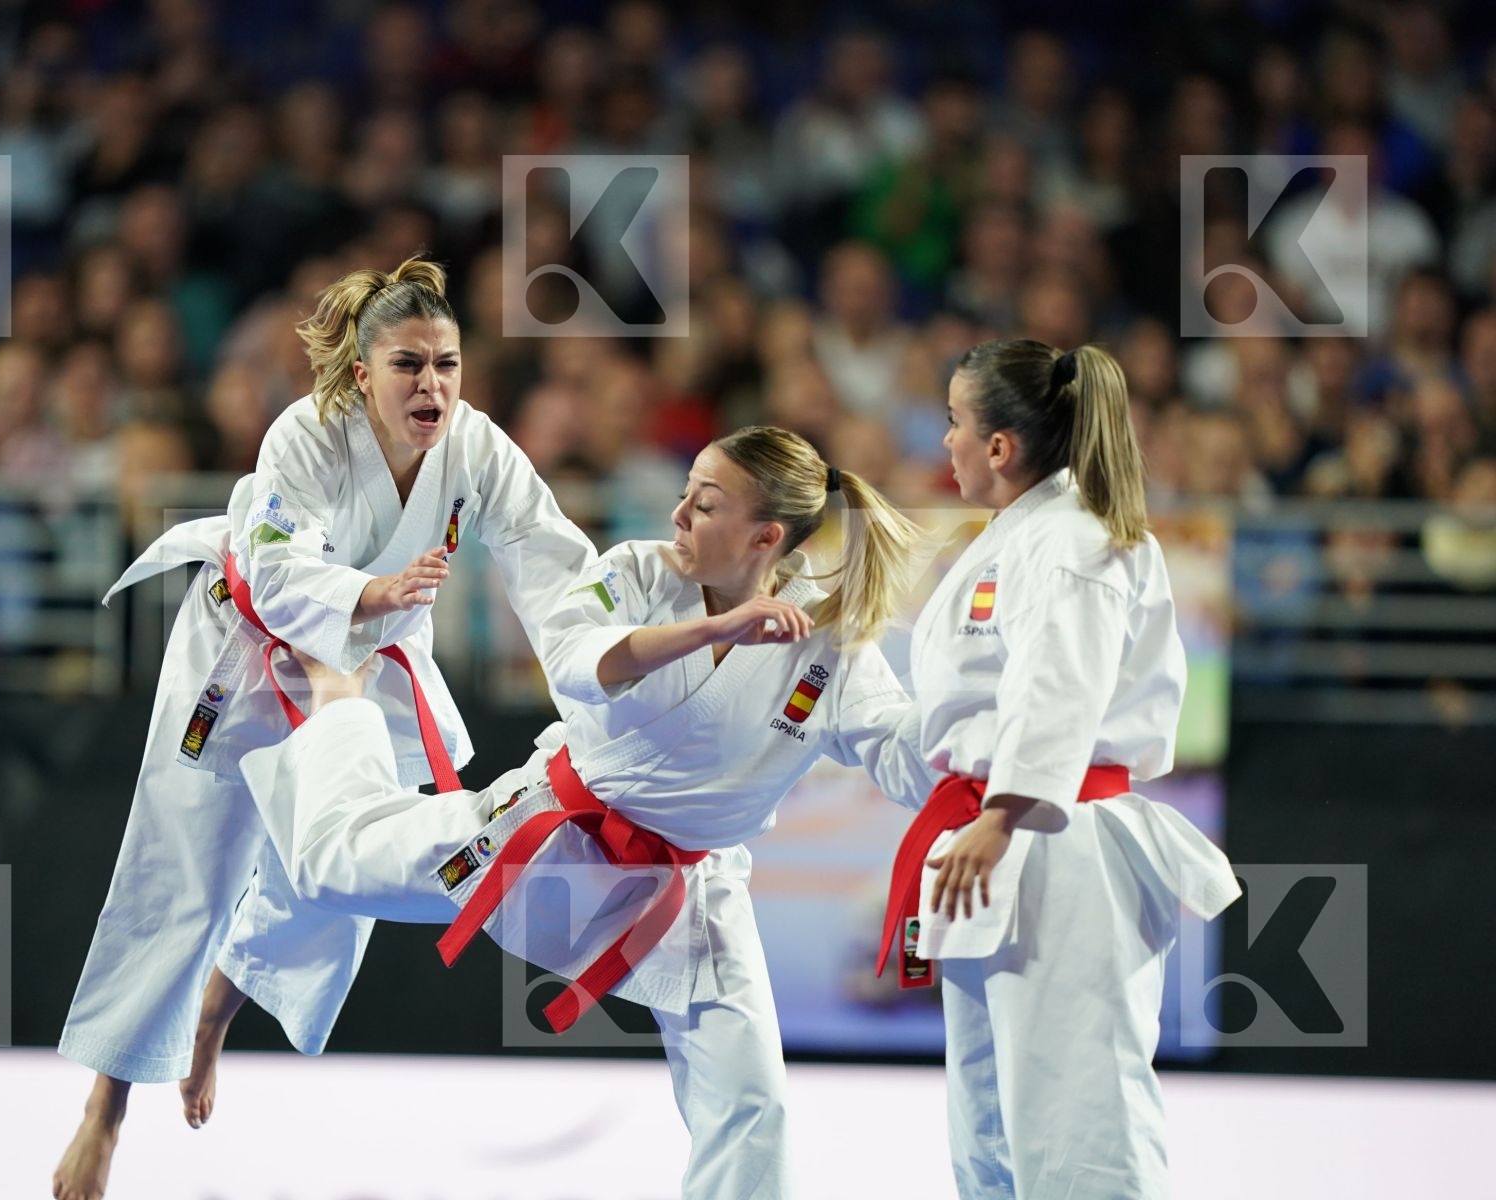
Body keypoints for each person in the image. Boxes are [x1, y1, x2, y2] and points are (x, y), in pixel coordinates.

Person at [225, 426, 935, 1199]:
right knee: (332, 867)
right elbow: (572, 661)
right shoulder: (637, 570)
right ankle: (338, 697)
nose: (678, 515)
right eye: (685, 492)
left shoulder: (829, 648)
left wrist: (982, 722)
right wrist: (712, 628)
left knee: (750, 1101)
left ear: (765, 535)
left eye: (704, 503)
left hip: (687, 892)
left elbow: (903, 760)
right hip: (555, 833)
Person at [51, 257, 596, 1200]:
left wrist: (603, 661)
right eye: (408, 365)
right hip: (245, 647)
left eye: (447, 364)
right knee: (186, 868)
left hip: (367, 663)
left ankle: (218, 1007)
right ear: (361, 375)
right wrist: (370, 591)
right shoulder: (302, 435)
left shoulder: (478, 450)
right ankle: (104, 1110)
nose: (432, 385)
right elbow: (272, 568)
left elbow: (555, 563)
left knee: (350, 866)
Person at [876, 339, 1241, 1199]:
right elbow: (964, 713)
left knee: (1079, 1120)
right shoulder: (1017, 536)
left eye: (955, 425)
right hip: (1002, 841)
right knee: (991, 1124)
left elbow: (1058, 688)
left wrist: (1002, 816)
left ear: (999, 446)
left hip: (1056, 843)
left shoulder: (1074, 540)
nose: (945, 444)